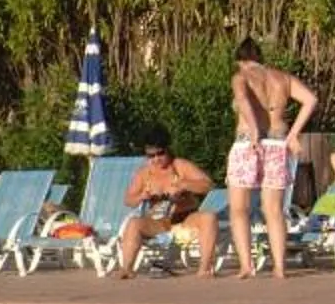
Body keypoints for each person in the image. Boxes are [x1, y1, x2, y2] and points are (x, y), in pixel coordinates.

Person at [226, 38, 318, 280]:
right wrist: (294, 134)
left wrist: (255, 129)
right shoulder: (282, 78)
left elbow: (244, 100)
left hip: (248, 142)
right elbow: (311, 100)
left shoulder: (241, 76)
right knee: (274, 210)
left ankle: (247, 266)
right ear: (260, 58)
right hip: (278, 143)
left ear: (241, 61)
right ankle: (279, 267)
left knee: (239, 209)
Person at [115, 145, 212, 277]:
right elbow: (128, 200)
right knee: (134, 223)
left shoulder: (180, 166)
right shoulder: (144, 173)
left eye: (160, 154)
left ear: (168, 151)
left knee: (209, 217)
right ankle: (127, 269)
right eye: (151, 156)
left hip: (185, 218)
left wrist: (184, 184)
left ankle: (204, 268)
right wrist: (141, 196)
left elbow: (207, 184)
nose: (156, 158)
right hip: (159, 221)